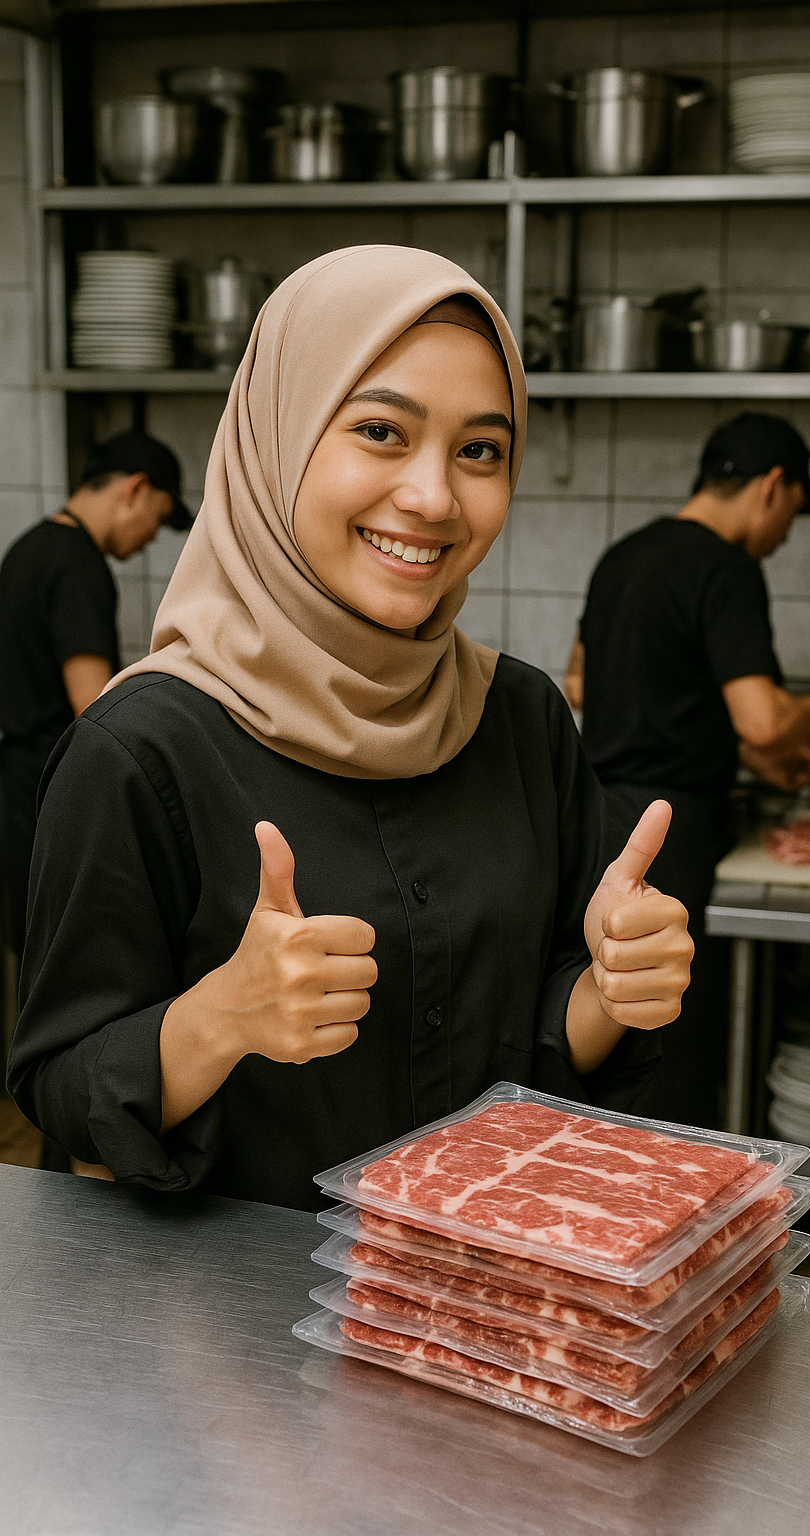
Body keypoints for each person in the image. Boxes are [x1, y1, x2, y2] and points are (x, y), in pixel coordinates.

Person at [7, 246, 694, 1210]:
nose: (434, 497)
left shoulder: (522, 718)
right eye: (380, 430)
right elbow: (61, 1091)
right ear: (279, 438)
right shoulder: (140, 748)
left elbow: (528, 1053)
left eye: (481, 450)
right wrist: (220, 1018)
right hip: (223, 1333)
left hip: (465, 1301)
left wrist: (608, 994)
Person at [564, 412, 810, 1127]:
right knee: (674, 1035)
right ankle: (676, 1209)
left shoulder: (622, 556)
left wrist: (735, 752)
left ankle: (601, 1200)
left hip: (598, 823)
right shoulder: (726, 568)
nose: (783, 537)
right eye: (794, 514)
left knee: (616, 1015)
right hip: (674, 833)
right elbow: (765, 718)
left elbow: (584, 685)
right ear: (773, 487)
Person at [0, 432, 192, 955]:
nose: (152, 537)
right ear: (135, 489)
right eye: (159, 516)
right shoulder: (78, 566)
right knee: (65, 964)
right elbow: (93, 711)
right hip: (48, 798)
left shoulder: (30, 548)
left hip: (17, 790)